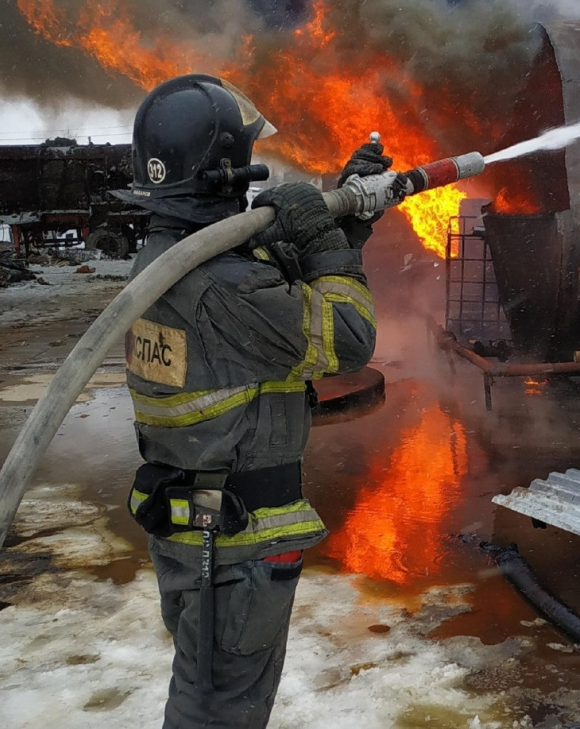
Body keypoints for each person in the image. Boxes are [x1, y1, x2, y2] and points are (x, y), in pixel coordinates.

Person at [111, 73, 390, 728]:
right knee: (219, 711)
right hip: (235, 545)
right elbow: (349, 336)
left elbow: (274, 293)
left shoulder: (166, 262)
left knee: (207, 695)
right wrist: (324, 243)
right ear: (225, 173)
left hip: (193, 521)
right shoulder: (224, 289)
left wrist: (344, 225)